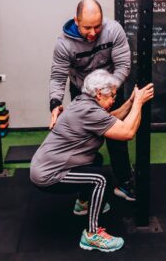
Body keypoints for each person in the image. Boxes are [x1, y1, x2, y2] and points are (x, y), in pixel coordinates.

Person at [30, 69, 154, 252]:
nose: (113, 99)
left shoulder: (83, 102)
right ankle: (92, 235)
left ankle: (83, 203)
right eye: (112, 95)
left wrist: (130, 101)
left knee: (95, 158)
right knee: (101, 179)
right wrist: (139, 103)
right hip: (48, 174)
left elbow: (110, 119)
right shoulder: (88, 110)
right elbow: (127, 132)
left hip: (45, 165)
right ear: (98, 94)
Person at [49, 0, 135, 200]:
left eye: (97, 26)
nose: (93, 33)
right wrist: (55, 103)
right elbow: (58, 76)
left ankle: (123, 183)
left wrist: (107, 91)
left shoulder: (113, 30)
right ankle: (85, 193)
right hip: (81, 90)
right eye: (87, 27)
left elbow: (123, 65)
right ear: (76, 21)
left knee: (117, 137)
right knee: (83, 139)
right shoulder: (64, 44)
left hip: (110, 87)